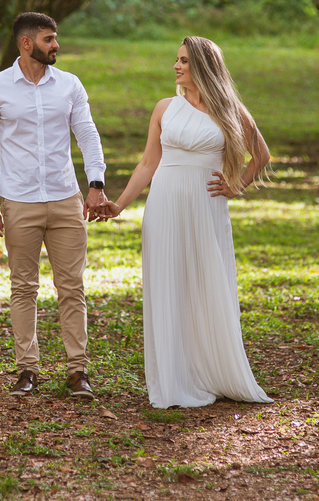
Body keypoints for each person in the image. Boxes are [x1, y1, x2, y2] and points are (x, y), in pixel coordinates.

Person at [103, 36, 272, 408]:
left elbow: (260, 154)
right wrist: (120, 204)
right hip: (163, 205)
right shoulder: (164, 108)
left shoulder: (230, 111)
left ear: (202, 66)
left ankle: (212, 369)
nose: (176, 66)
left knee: (207, 283)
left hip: (206, 207)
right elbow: (148, 162)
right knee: (168, 284)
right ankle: (175, 378)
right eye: (176, 60)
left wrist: (236, 186)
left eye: (183, 60)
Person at [0, 12, 110, 400]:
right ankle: (27, 370)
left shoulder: (69, 85)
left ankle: (77, 371)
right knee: (23, 288)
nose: (56, 45)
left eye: (56, 38)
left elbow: (87, 133)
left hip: (67, 200)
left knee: (71, 287)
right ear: (26, 43)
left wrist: (95, 184)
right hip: (18, 201)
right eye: (49, 39)